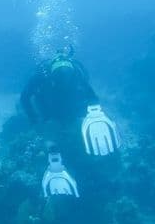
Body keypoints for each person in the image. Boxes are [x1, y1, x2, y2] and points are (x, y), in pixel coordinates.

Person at [20, 47, 120, 198]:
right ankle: (60, 160)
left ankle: (55, 160)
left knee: (52, 142)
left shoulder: (42, 74)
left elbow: (25, 97)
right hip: (71, 112)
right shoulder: (75, 72)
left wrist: (34, 118)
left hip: (52, 114)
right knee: (66, 141)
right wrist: (96, 112)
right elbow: (91, 94)